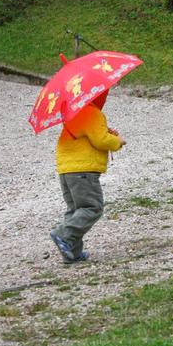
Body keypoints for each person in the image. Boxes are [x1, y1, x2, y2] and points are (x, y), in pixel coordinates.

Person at [50, 90, 126, 263]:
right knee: (92, 207)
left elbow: (89, 135)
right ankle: (63, 234)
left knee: (76, 210)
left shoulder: (73, 113)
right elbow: (101, 141)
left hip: (66, 170)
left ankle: (73, 252)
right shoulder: (92, 113)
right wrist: (118, 141)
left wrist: (106, 132)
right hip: (83, 171)